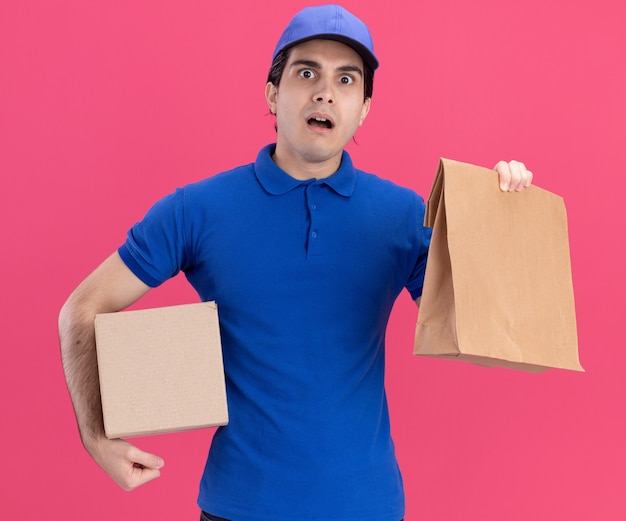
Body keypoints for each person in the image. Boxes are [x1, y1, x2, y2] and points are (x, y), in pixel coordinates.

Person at [58, 5, 533, 521]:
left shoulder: (403, 216)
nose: (324, 91)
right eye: (306, 72)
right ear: (272, 94)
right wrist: (95, 434)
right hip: (236, 508)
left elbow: (482, 340)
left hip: (367, 507)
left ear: (364, 107)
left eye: (345, 79)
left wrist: (501, 216)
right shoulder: (197, 210)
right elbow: (82, 309)